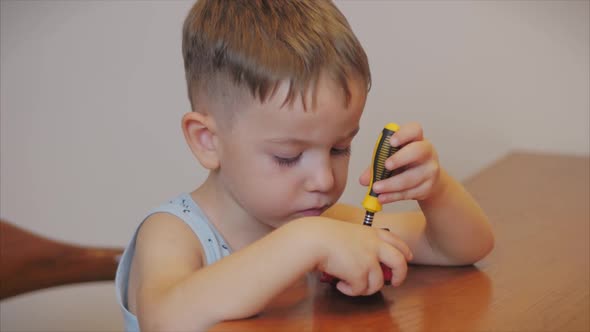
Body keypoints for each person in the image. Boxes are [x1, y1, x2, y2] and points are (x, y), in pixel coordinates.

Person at [115, 0, 494, 330]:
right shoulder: (173, 233)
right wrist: (305, 241)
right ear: (208, 141)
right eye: (288, 156)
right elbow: (164, 321)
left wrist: (436, 190)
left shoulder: (324, 225)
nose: (324, 180)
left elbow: (460, 249)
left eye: (340, 148)